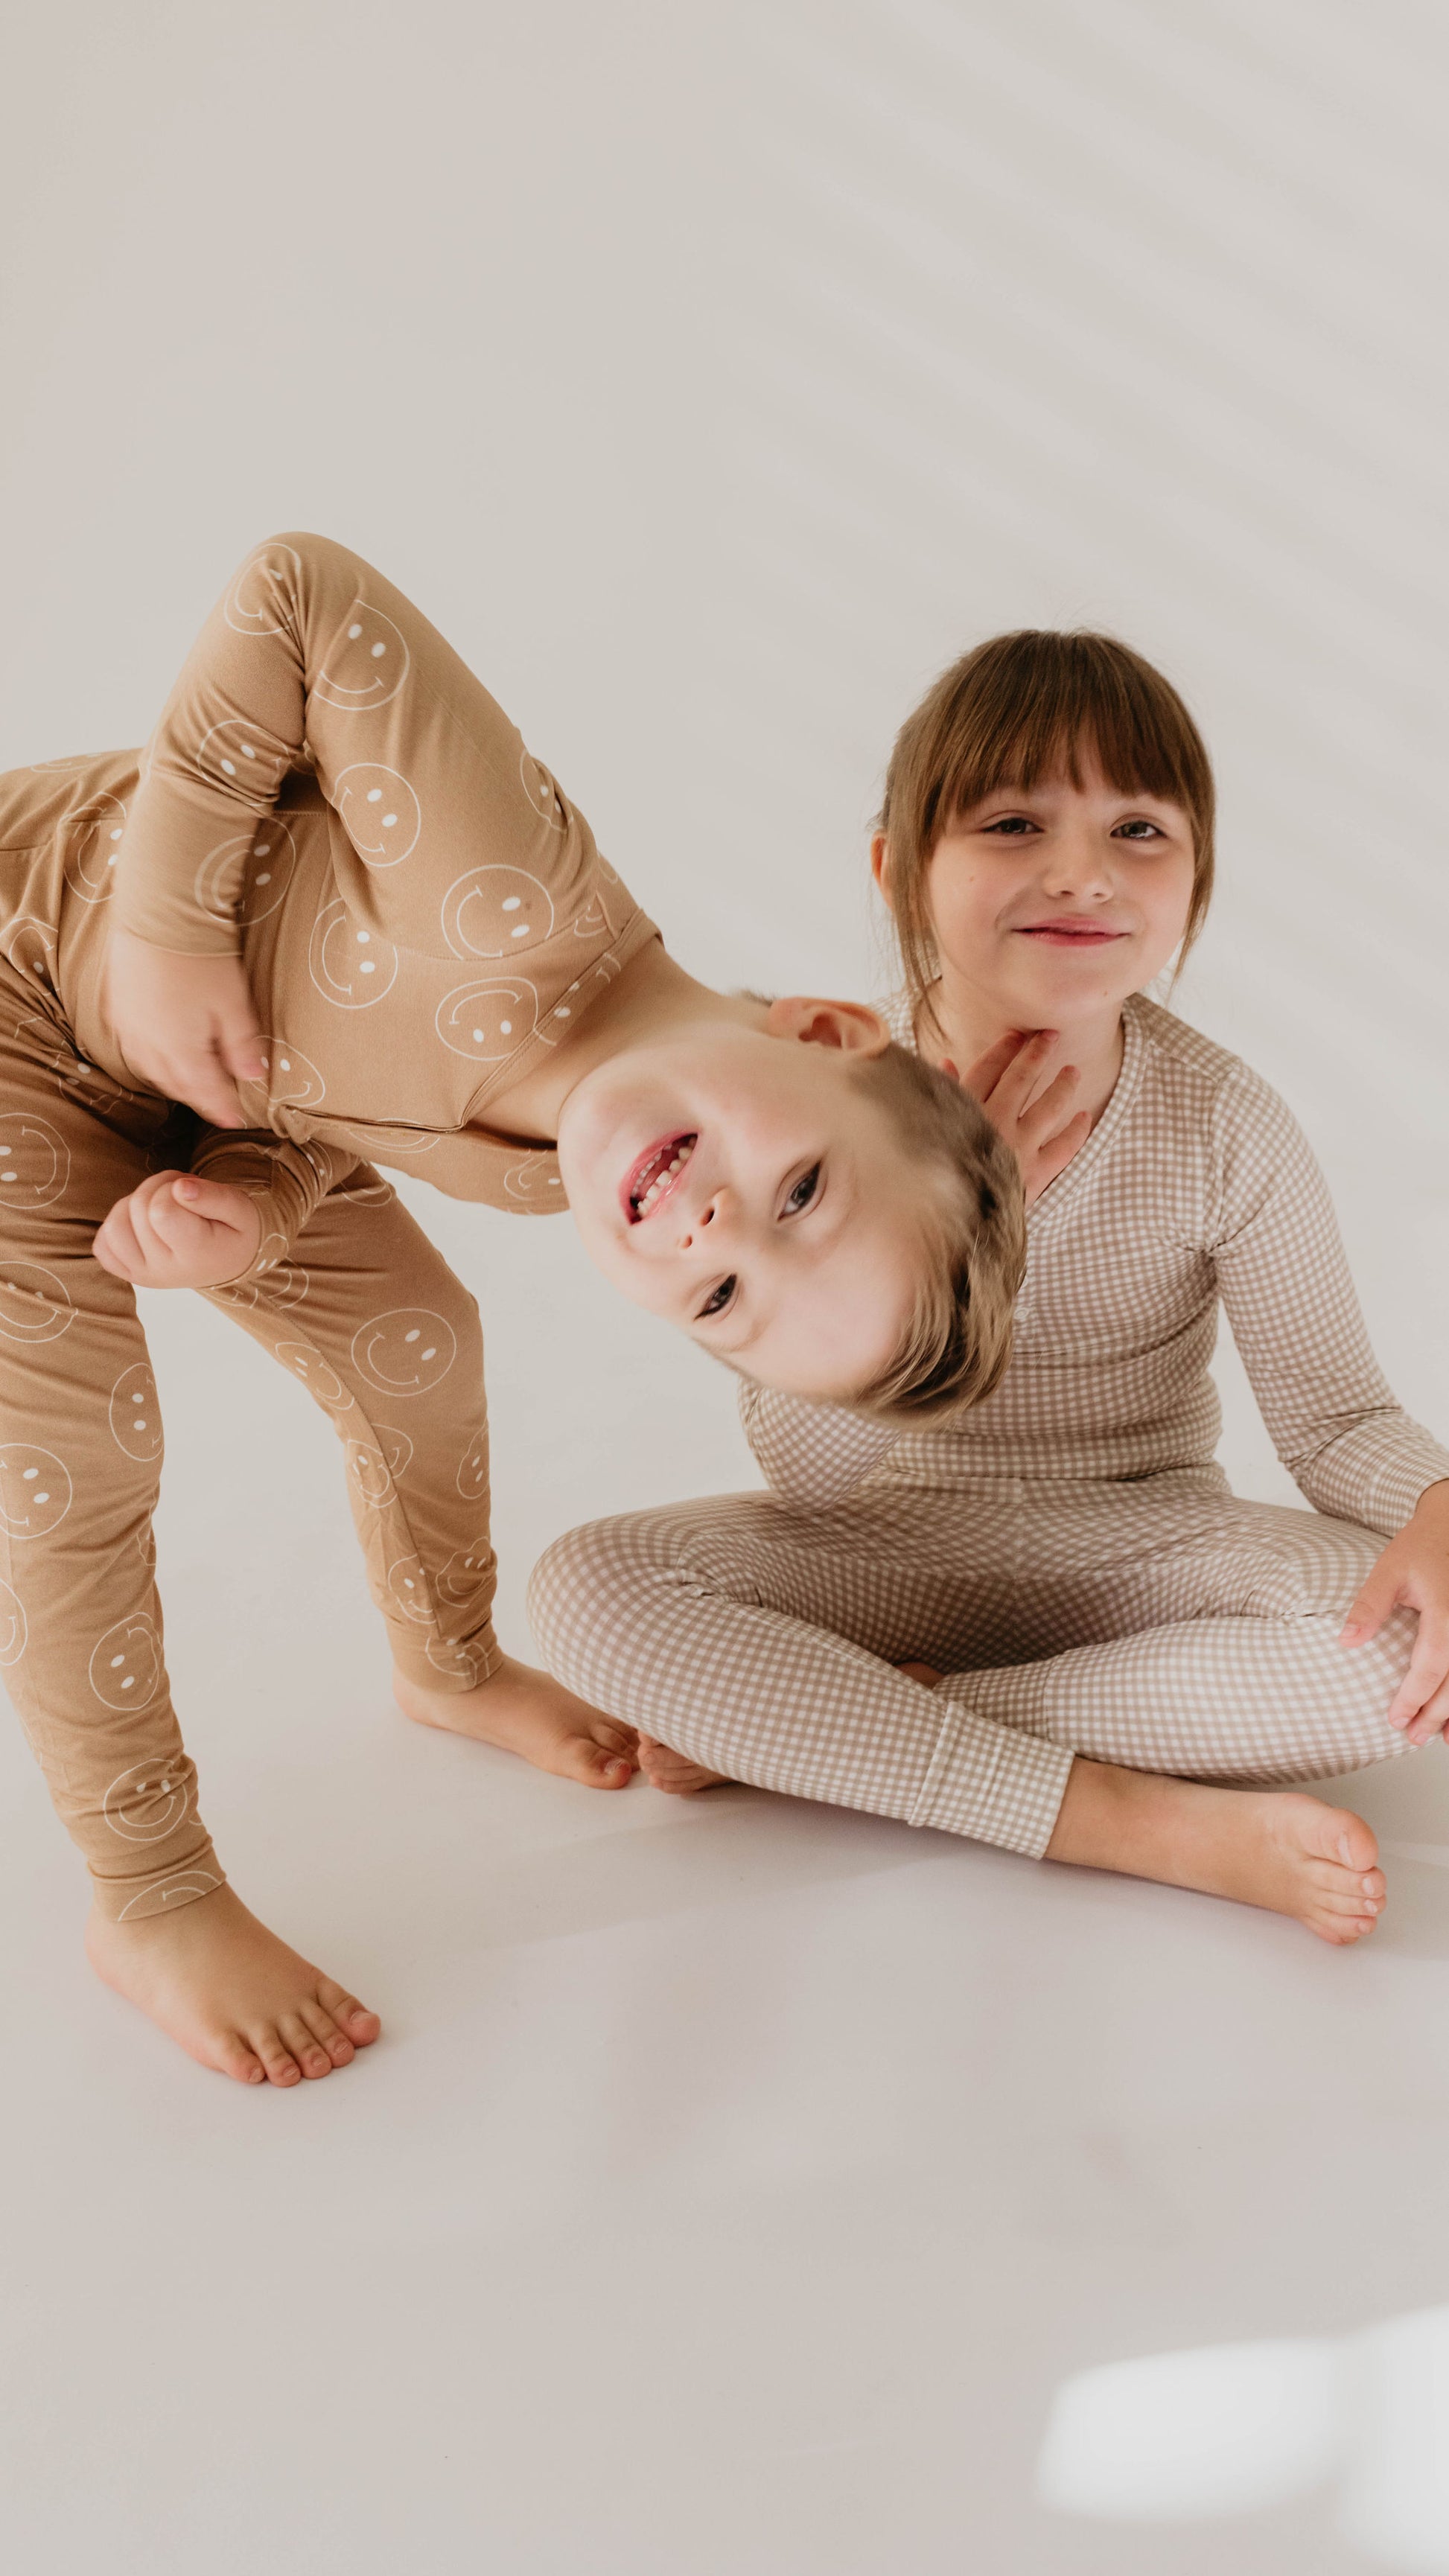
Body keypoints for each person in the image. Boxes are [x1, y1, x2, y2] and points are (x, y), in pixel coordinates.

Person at [0, 533, 1026, 2088]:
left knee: (420, 1346)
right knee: (76, 1453)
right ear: (824, 1025)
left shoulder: (570, 1159)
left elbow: (319, 1102)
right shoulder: (510, 900)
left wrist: (246, 1214)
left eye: (727, 1292)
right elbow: (297, 590)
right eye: (802, 1187)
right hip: (28, 987)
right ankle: (148, 1892)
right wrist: (165, 922)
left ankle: (449, 1656)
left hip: (189, 1100)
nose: (704, 1223)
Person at [529, 630, 1449, 1947]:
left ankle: (850, 1726)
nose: (1081, 871)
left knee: (1396, 1667)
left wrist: (1436, 1504)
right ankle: (1129, 1819)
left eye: (1140, 830)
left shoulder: (1222, 1122)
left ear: (1194, 888)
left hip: (1139, 1547)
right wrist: (971, 1221)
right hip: (888, 1545)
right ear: (898, 875)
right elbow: (814, 1473)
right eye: (1013, 822)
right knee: (585, 1588)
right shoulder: (825, 1098)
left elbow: (1332, 1417)